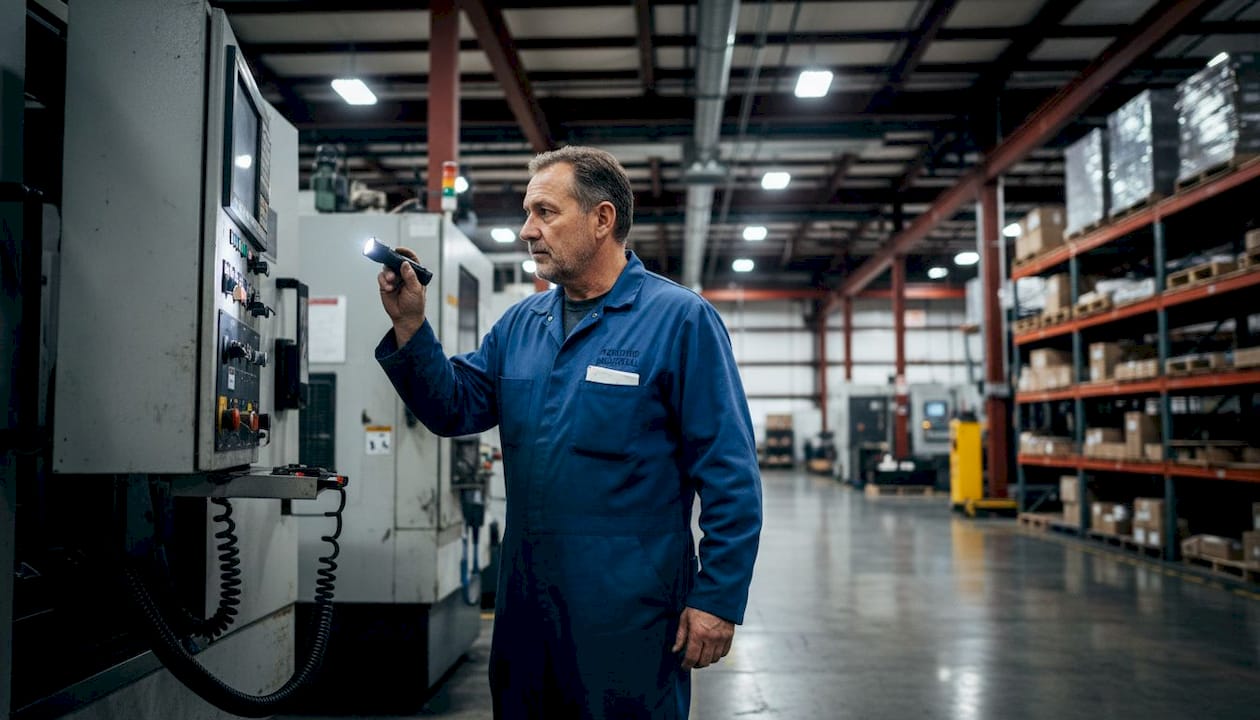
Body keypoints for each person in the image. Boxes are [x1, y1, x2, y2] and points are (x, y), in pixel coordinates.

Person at [374, 146, 762, 719]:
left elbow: (730, 477)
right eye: (528, 213)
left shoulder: (680, 321)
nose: (528, 230)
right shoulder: (521, 326)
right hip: (527, 612)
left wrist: (718, 599)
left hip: (630, 619)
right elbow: (454, 407)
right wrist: (410, 325)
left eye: (546, 213)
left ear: (602, 219)